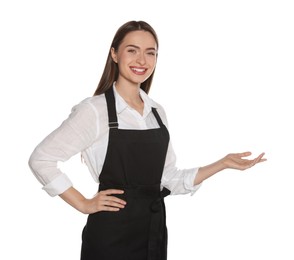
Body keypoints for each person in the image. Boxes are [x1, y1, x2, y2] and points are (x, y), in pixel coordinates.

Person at [28, 20, 266, 260]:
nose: (142, 60)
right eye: (132, 50)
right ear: (114, 54)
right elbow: (42, 159)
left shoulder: (156, 113)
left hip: (153, 232)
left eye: (150, 53)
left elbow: (168, 179)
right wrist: (83, 203)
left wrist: (222, 163)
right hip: (110, 237)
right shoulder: (94, 111)